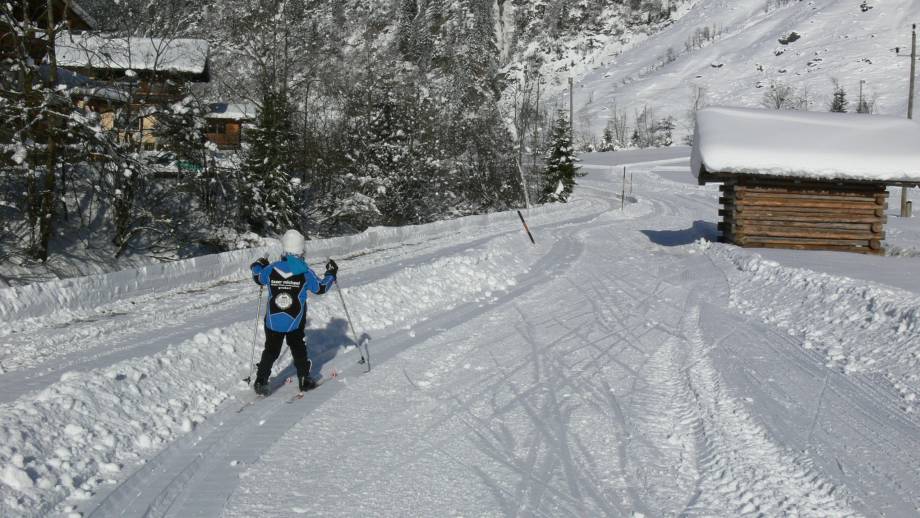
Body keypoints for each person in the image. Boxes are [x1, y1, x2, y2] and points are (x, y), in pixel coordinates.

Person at [249, 229, 338, 395]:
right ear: (301, 251)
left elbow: (257, 276)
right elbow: (320, 288)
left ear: (284, 249)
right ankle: (304, 379)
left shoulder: (271, 268)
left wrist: (258, 264)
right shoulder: (304, 272)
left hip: (273, 320)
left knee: (271, 350)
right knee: (297, 347)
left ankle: (261, 381)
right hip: (295, 320)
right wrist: (331, 273)